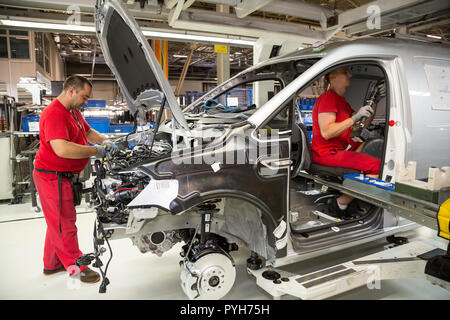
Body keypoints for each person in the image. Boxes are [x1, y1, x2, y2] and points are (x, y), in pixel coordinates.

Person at [33, 75, 117, 283]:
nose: (86, 102)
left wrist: (108, 142)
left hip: (62, 177)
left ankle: (52, 264)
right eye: (84, 97)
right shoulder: (54, 114)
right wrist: (96, 151)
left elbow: (88, 131)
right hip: (52, 177)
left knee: (57, 222)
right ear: (71, 90)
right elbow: (61, 149)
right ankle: (74, 265)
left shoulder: (73, 112)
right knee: (65, 223)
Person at [311, 67, 384, 218]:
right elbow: (327, 132)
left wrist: (374, 101)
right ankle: (341, 202)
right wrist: (355, 118)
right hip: (326, 154)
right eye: (345, 72)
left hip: (339, 149)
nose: (350, 74)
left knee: (363, 142)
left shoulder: (341, 101)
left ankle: (352, 196)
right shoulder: (328, 98)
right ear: (333, 77)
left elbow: (363, 123)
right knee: (376, 165)